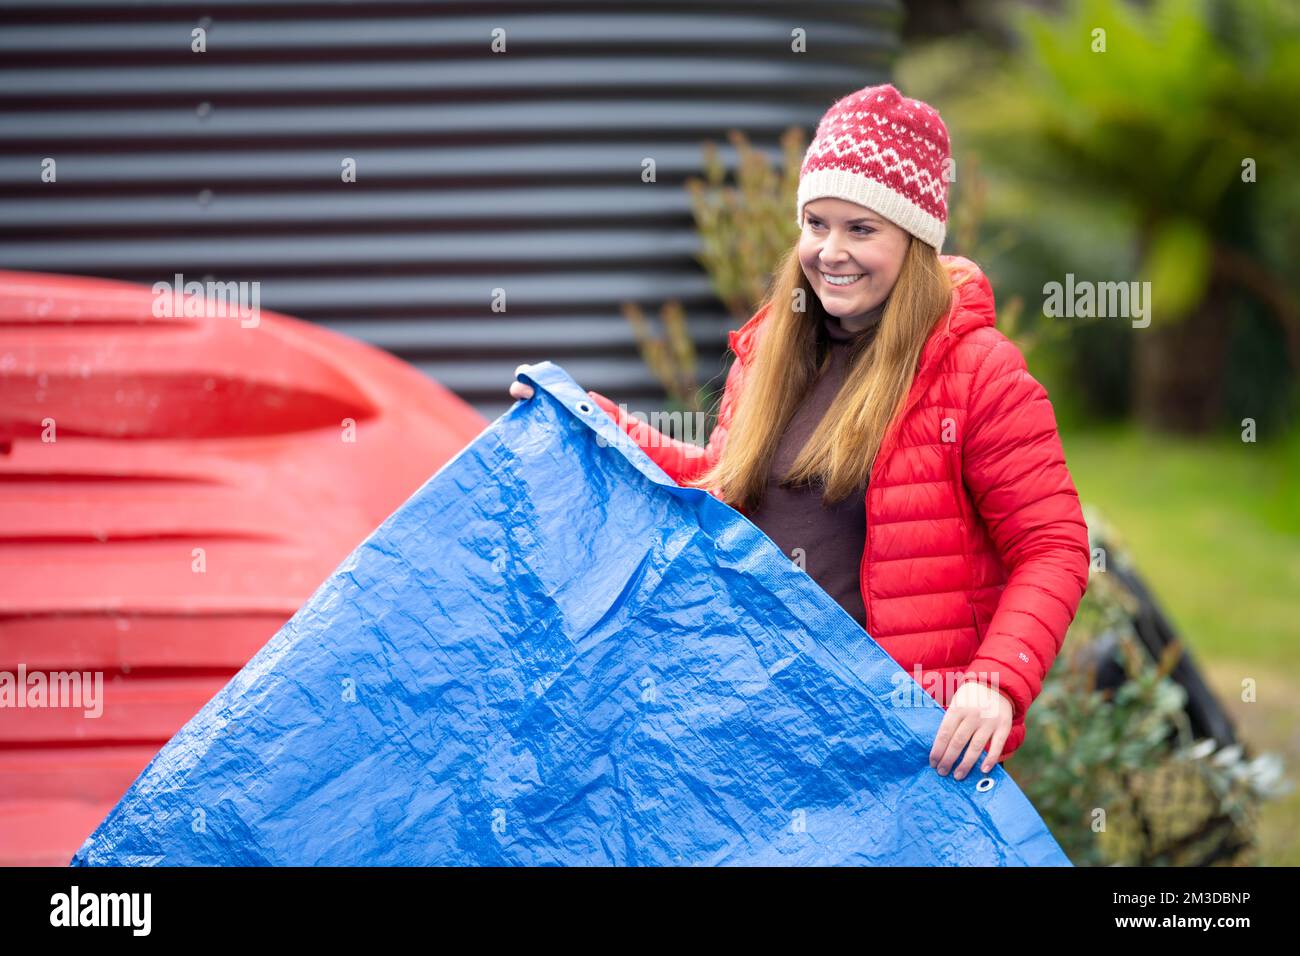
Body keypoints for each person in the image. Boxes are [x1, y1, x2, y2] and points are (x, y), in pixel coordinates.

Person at [509, 83, 1090, 781]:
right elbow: (721, 490)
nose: (831, 251)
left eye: (861, 228)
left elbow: (1053, 547)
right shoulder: (775, 352)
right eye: (816, 224)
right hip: (764, 728)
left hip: (898, 752)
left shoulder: (975, 372)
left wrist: (997, 680)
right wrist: (591, 421)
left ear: (915, 239)